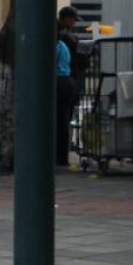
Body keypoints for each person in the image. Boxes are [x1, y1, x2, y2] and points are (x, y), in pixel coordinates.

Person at [56, 28, 77, 167]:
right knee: (64, 121)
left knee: (57, 122)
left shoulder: (54, 46)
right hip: (68, 81)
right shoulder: (63, 45)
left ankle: (57, 157)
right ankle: (62, 157)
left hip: (58, 82)